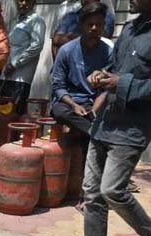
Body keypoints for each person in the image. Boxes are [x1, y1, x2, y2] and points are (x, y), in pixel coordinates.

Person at [56, 0, 151, 236]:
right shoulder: (129, 28)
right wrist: (102, 74)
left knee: (112, 190)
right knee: (92, 191)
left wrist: (122, 83)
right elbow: (115, 66)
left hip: (132, 128)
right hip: (105, 122)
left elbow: (126, 80)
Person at [51, 2, 112, 149]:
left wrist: (93, 111)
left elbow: (107, 89)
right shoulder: (66, 50)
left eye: (98, 24)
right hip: (69, 104)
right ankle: (96, 135)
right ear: (81, 25)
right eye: (90, 24)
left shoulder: (109, 52)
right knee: (58, 111)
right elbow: (58, 85)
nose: (94, 28)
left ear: (103, 26)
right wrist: (74, 105)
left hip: (95, 104)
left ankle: (91, 134)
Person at [0, 0, 45, 115]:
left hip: (20, 78)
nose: (22, 3)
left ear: (33, 2)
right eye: (19, 0)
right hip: (6, 75)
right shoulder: (15, 20)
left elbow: (37, 46)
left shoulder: (36, 20)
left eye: (26, 0)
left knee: (14, 113)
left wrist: (15, 64)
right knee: (2, 113)